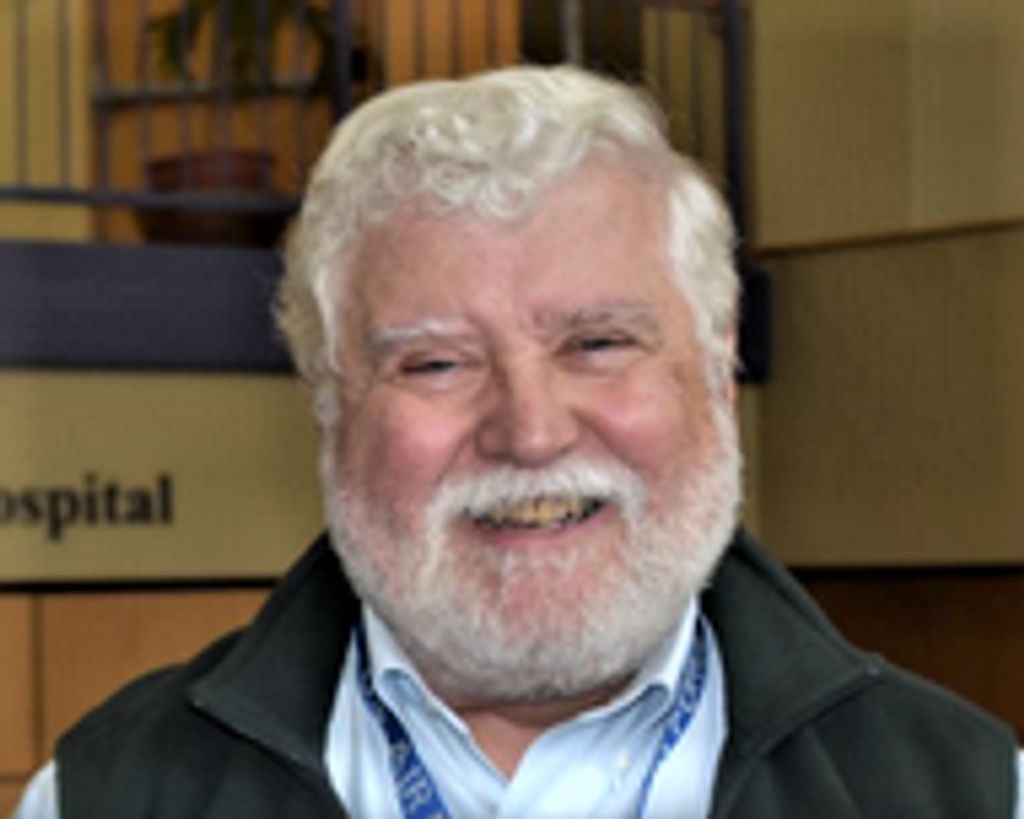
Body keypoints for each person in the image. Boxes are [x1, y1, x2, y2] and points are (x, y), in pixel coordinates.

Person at [12, 65, 1022, 819]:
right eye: (437, 362)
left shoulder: (968, 793)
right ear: (329, 404)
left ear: (716, 372)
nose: (530, 432)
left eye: (596, 343)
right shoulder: (107, 795)